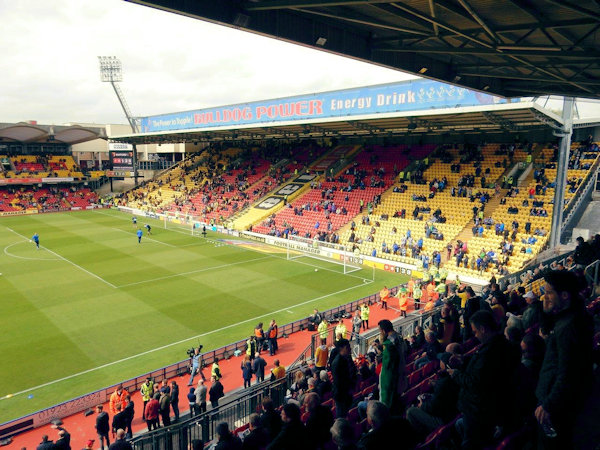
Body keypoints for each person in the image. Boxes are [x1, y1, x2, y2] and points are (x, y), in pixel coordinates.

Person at [535, 270, 593, 449]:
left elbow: (568, 372)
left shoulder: (568, 328)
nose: (544, 297)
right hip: (562, 403)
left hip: (557, 408)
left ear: (565, 295)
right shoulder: (572, 317)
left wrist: (549, 405)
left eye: (549, 293)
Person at [448, 310, 520, 449]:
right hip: (488, 410)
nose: (475, 335)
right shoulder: (502, 345)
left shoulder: (490, 352)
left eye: (475, 332)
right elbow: (484, 370)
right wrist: (464, 360)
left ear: (483, 329)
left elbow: (475, 382)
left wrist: (455, 373)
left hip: (479, 413)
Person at [378, 319, 407, 412]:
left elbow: (387, 366)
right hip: (400, 371)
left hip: (390, 377)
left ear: (383, 330)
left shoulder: (389, 345)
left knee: (387, 402)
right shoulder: (399, 337)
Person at [331, 338, 356, 418]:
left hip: (346, 393)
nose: (349, 348)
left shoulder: (346, 358)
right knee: (341, 416)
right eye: (347, 347)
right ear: (341, 348)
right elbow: (339, 382)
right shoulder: (337, 363)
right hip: (341, 396)